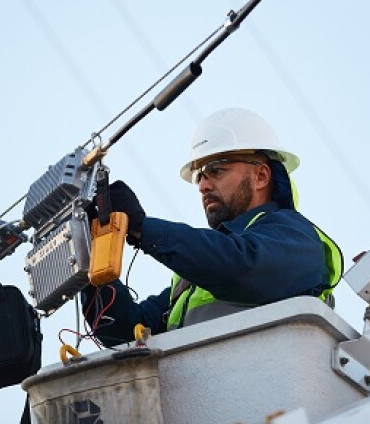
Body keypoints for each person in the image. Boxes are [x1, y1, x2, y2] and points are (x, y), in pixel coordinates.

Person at [81, 108, 343, 346]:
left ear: (261, 176)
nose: (203, 186)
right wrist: (88, 253)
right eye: (200, 177)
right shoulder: (190, 283)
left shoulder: (298, 239)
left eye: (216, 171)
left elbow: (239, 265)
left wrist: (142, 228)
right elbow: (123, 330)